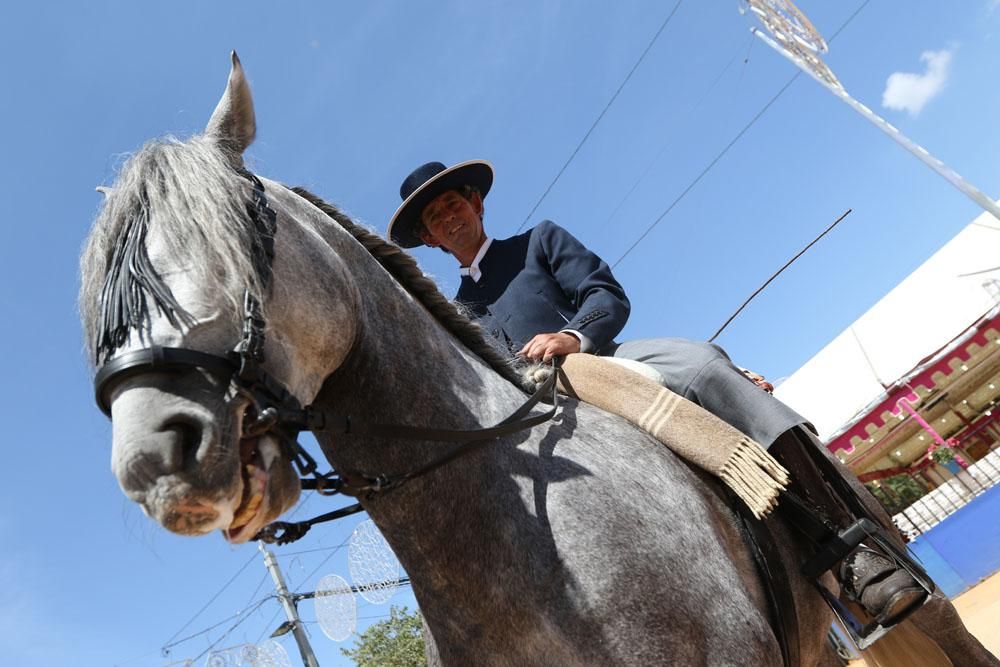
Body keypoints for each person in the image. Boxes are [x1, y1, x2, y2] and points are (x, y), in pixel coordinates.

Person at [386, 159, 929, 631]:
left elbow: (604, 293)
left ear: (476, 203)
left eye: (453, 203)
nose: (449, 218)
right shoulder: (456, 314)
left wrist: (570, 336)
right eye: (435, 217)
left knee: (703, 368)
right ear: (430, 239)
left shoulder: (538, 242)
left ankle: (853, 546)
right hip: (540, 416)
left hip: (602, 361)